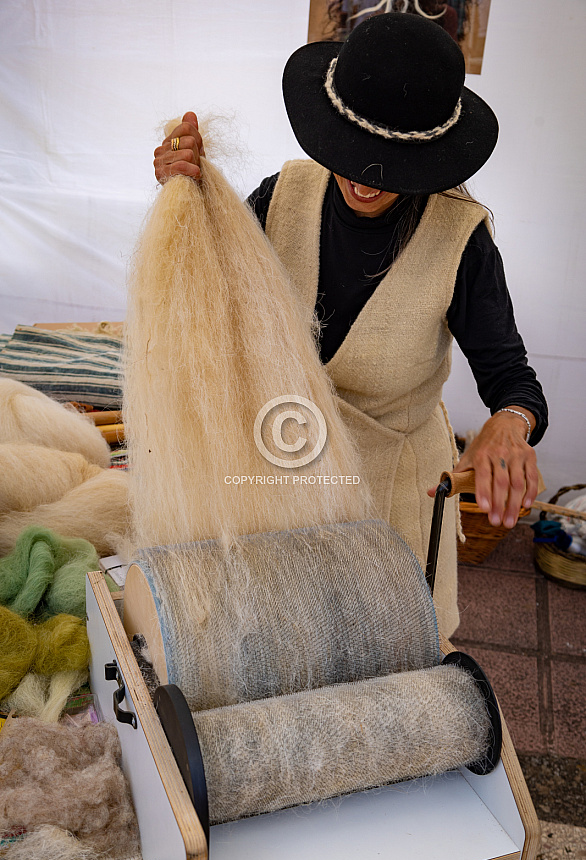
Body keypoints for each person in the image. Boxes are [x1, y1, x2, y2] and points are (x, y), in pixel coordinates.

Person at [153, 12, 547, 636]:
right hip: (283, 461)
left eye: (389, 160)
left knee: (390, 651)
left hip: (392, 487)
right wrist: (187, 195)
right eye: (356, 152)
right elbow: (213, 281)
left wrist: (510, 423)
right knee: (285, 642)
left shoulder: (461, 236)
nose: (366, 177)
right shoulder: (283, 194)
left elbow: (511, 377)